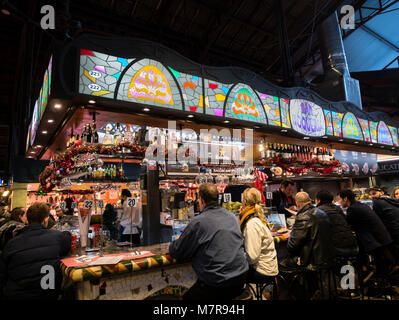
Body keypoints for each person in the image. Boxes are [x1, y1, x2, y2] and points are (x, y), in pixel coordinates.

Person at [169, 183, 248, 300]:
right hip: (241, 279)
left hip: (217, 284)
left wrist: (176, 241)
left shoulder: (198, 222)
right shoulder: (232, 216)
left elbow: (176, 251)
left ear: (201, 200)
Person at [0, 202, 71, 300]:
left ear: (27, 219)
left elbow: (3, 274)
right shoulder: (57, 237)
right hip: (47, 295)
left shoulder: (11, 243)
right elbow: (67, 243)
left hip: (16, 295)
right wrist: (67, 232)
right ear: (46, 219)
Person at [337, 190, 394, 274]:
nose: (339, 202)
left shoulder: (352, 209)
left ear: (345, 199)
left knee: (376, 264)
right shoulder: (361, 205)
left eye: (339, 199)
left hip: (374, 240)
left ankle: (368, 274)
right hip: (381, 237)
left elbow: (347, 224)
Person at [285, 192, 335, 270]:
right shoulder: (322, 213)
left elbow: (292, 246)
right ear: (310, 200)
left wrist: (290, 234)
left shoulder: (303, 217)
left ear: (297, 203)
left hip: (309, 261)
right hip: (327, 257)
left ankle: (299, 282)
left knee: (279, 259)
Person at [240, 188, 278, 284]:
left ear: (244, 201)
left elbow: (252, 258)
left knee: (231, 273)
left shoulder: (252, 223)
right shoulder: (258, 218)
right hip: (269, 267)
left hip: (262, 271)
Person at [315, 190, 358, 258]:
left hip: (338, 248)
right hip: (353, 245)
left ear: (318, 200)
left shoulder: (318, 211)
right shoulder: (337, 208)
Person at [368, 186, 399, 260]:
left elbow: (376, 220)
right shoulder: (391, 200)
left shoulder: (377, 202)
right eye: (371, 194)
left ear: (382, 192)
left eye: (374, 193)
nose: (372, 196)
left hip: (393, 233)